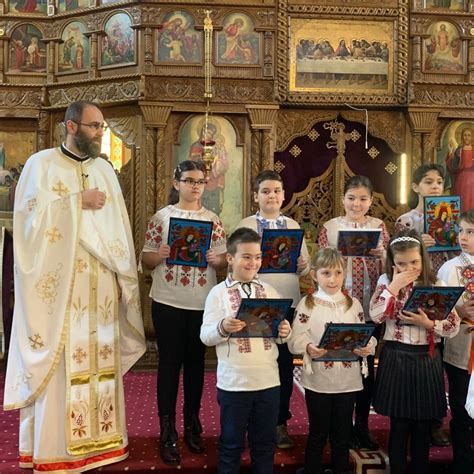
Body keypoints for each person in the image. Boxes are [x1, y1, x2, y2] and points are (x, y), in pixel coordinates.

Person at [3, 100, 146, 472]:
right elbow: (28, 224)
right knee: (64, 362)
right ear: (70, 126)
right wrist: (75, 202)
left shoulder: (105, 170)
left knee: (99, 359)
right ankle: (57, 451)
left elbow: (118, 228)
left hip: (100, 286)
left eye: (101, 126)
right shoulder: (42, 164)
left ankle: (103, 443)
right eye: (95, 126)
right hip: (62, 286)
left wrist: (119, 277)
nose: (101, 133)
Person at [140, 159, 227, 465]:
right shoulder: (161, 218)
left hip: (202, 302)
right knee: (168, 365)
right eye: (189, 180)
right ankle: (167, 429)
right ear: (176, 184)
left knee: (195, 366)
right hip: (167, 300)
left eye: (200, 181)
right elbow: (146, 259)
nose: (195, 186)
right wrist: (158, 254)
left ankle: (192, 424)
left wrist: (218, 260)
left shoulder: (214, 220)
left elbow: (223, 261)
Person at [200, 227, 291, 473]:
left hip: (268, 382)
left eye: (258, 256)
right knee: (231, 446)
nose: (253, 263)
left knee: (265, 445)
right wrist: (222, 327)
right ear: (230, 258)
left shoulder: (270, 292)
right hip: (235, 384)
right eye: (246, 256)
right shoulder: (218, 294)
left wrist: (284, 332)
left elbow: (280, 338)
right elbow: (205, 336)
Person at [369, 229, 460, 474]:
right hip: (396, 356)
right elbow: (376, 316)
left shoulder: (435, 284)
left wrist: (429, 324)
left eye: (414, 262)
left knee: (422, 425)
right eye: (401, 264)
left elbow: (452, 326)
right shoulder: (385, 282)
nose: (409, 268)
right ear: (392, 262)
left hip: (426, 358)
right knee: (399, 425)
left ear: (423, 258)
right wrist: (393, 287)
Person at [236, 170, 310, 449]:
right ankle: (248, 422)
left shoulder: (291, 225)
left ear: (284, 195)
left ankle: (280, 422)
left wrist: (305, 266)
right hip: (254, 302)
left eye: (277, 191)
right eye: (266, 191)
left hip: (286, 301)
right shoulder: (245, 225)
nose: (272, 196)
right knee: (253, 362)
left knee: (282, 365)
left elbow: (306, 263)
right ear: (256, 196)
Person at [289, 248, 376, 474]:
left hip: (347, 380)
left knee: (342, 434)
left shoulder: (353, 304)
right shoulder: (307, 304)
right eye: (326, 273)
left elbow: (365, 335)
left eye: (338, 273)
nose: (332, 279)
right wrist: (308, 347)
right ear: (314, 275)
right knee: (318, 433)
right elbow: (295, 339)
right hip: (319, 380)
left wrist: (367, 346)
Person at [318, 175, 389, 450]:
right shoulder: (330, 227)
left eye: (362, 198)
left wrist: (383, 254)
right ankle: (340, 428)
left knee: (365, 369)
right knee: (339, 364)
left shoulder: (379, 226)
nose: (356, 204)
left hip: (370, 308)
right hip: (340, 308)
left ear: (371, 201)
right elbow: (322, 265)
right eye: (351, 198)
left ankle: (361, 424)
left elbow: (389, 268)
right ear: (343, 199)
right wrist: (335, 253)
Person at [395, 163, 455, 446]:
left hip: (444, 289)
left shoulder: (452, 217)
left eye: (439, 182)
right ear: (415, 186)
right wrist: (422, 246)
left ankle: (437, 418)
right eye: (428, 181)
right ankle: (420, 420)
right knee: (427, 354)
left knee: (444, 355)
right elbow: (401, 252)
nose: (435, 186)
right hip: (418, 289)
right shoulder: (406, 221)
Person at [437, 209, 474, 474]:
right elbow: (438, 312)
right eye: (461, 230)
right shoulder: (449, 269)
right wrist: (459, 313)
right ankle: (462, 462)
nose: (463, 237)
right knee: (461, 410)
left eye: (471, 232)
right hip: (461, 349)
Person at [446, 126, 473, 211]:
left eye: (469, 135)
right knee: (462, 201)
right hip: (461, 180)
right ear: (461, 137)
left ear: (472, 137)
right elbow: (452, 166)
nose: (467, 137)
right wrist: (450, 152)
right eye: (465, 135)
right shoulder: (458, 150)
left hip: (473, 180)